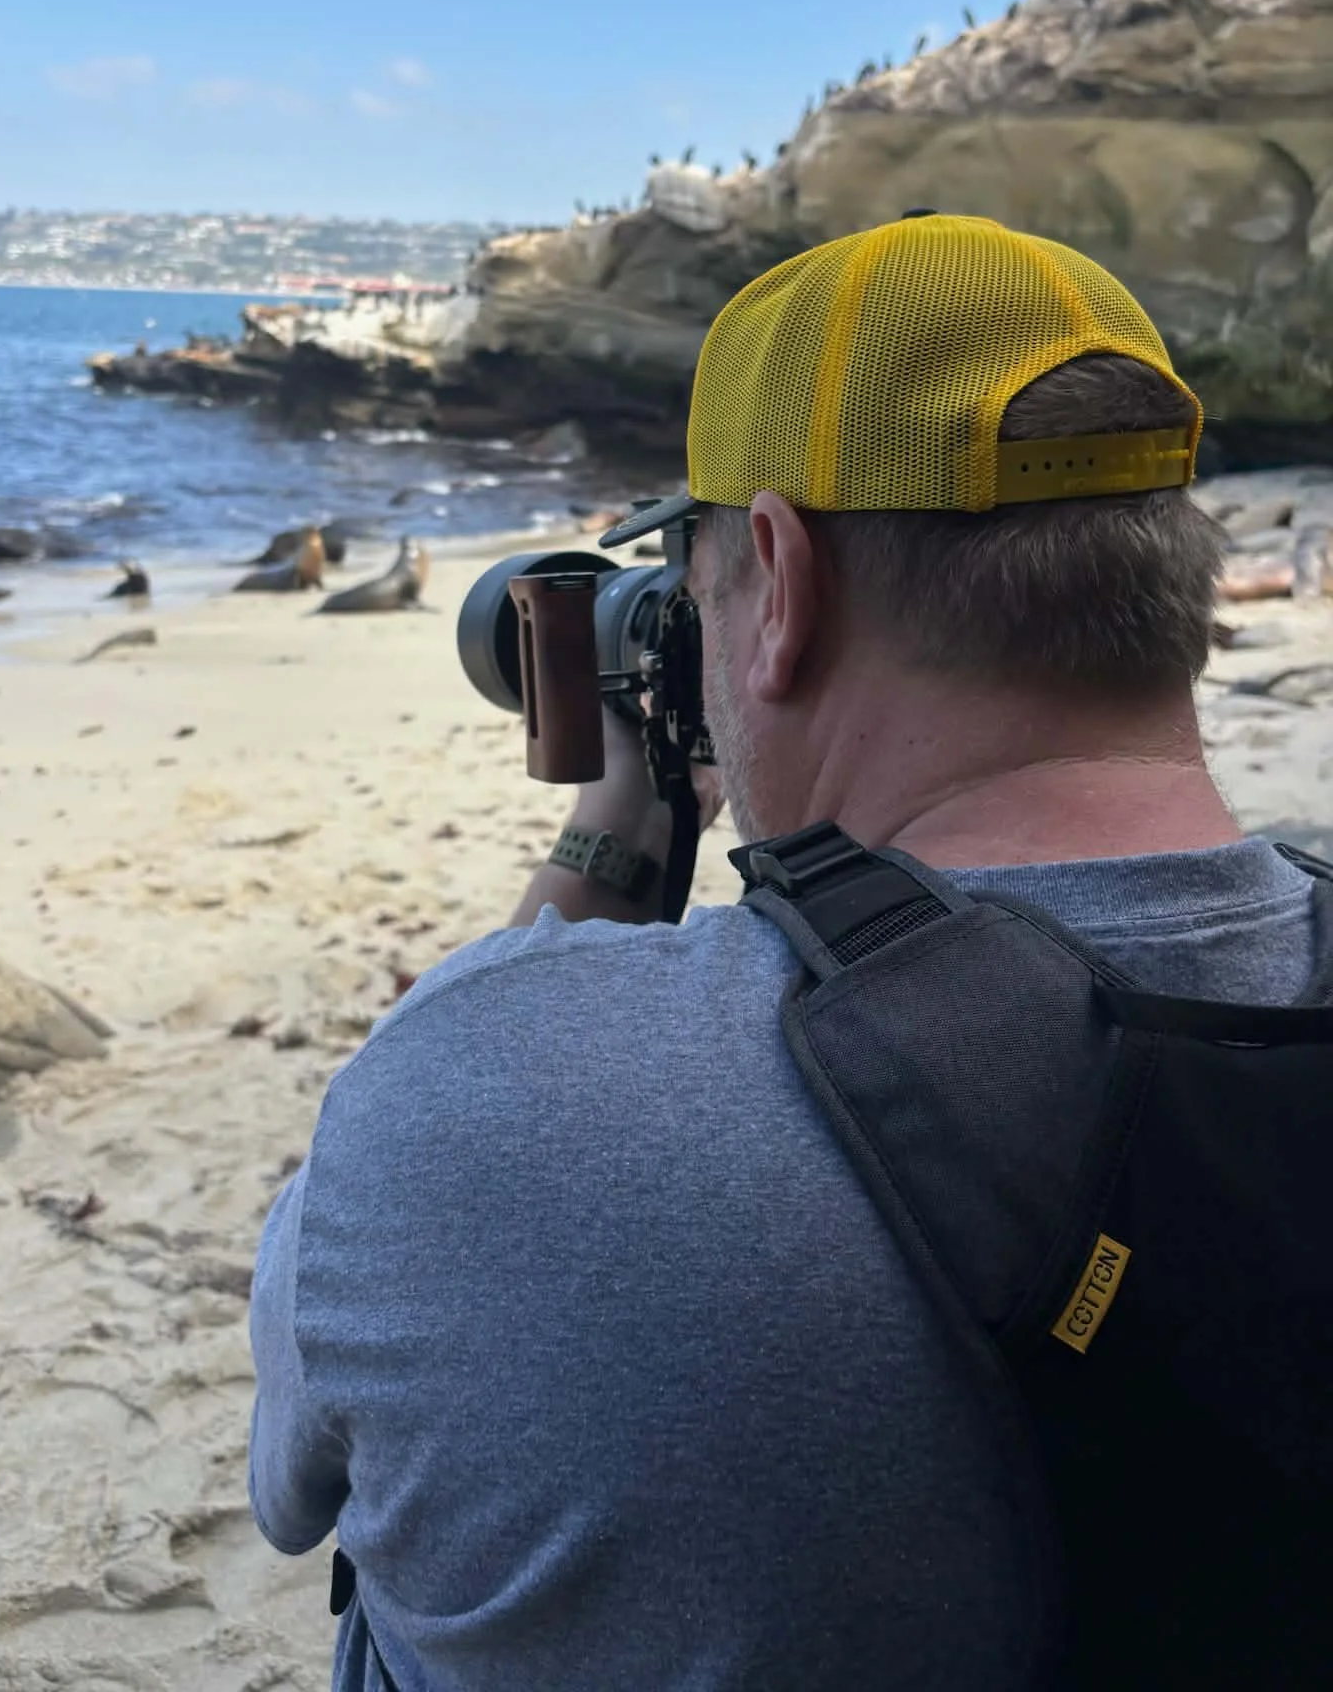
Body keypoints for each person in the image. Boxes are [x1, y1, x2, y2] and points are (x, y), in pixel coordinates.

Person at [247, 213, 1319, 1690]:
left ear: (780, 578)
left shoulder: (481, 1094)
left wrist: (620, 828)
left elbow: (286, 1482)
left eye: (699, 584)